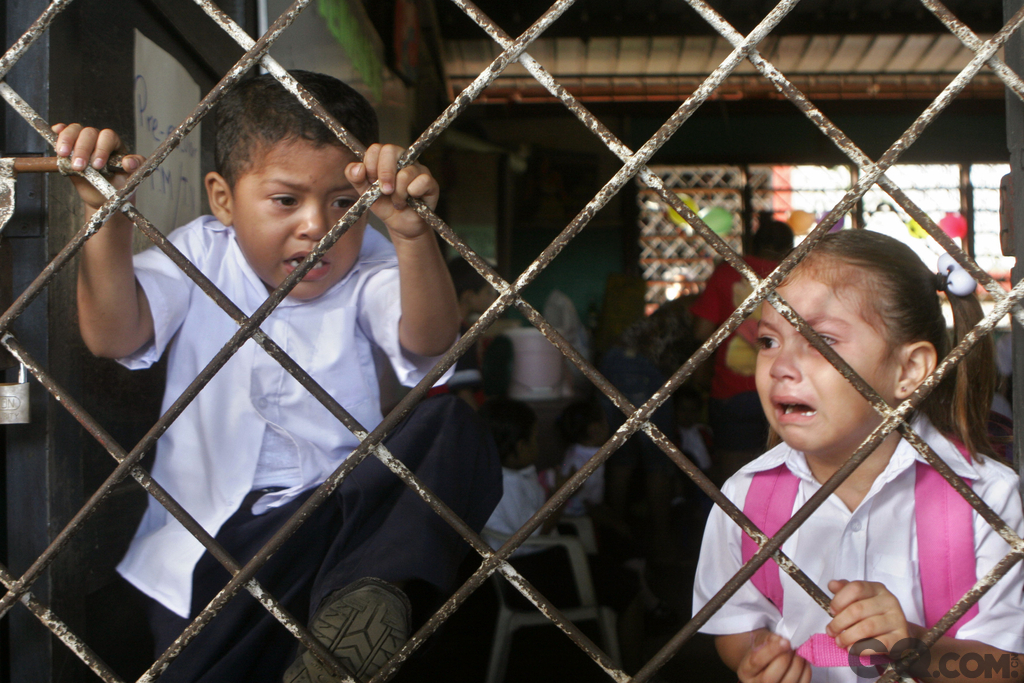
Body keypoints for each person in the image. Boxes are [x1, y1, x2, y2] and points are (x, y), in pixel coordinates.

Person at [58, 71, 501, 683]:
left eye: (345, 203)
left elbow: (428, 340)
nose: (319, 226)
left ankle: (363, 610)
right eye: (286, 201)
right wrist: (107, 216)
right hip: (210, 544)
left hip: (337, 535)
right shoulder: (198, 254)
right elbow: (114, 336)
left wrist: (412, 235)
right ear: (222, 199)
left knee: (448, 425)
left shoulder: (370, 259)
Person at [693, 229, 1024, 683]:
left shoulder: (985, 498)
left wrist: (913, 646)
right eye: (768, 340)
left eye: (822, 341)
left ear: (908, 371)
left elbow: (1008, 667)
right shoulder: (746, 498)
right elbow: (735, 624)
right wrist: (756, 655)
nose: (782, 366)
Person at [479, 398, 646, 672]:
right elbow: (537, 531)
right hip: (532, 575)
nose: (539, 445)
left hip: (527, 566)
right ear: (519, 448)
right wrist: (561, 495)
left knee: (612, 556)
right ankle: (635, 670)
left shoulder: (503, 476)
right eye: (533, 439)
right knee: (629, 588)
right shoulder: (507, 486)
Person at [691, 220, 794, 484]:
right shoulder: (795, 276)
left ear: (753, 244)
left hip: (731, 391)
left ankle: (734, 523)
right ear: (789, 249)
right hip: (785, 389)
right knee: (786, 470)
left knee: (733, 473)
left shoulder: (728, 274)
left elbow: (701, 333)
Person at [442, 257, 497, 408]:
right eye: (489, 292)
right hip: (456, 414)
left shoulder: (444, 326)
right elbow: (464, 392)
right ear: (468, 296)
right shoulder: (461, 333)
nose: (495, 298)